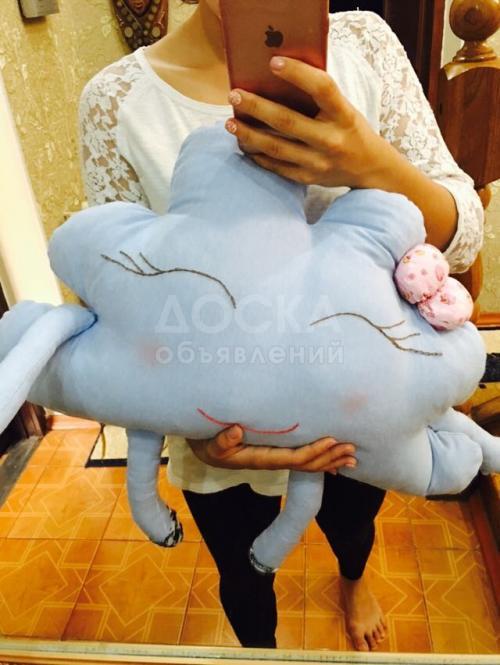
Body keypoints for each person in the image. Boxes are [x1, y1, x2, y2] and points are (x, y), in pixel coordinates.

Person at [77, 0, 484, 651]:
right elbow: (127, 299)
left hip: (358, 407)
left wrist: (370, 163)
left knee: (354, 527)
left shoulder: (365, 46)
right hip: (220, 431)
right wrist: (199, 436)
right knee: (242, 575)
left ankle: (354, 577)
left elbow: (464, 238)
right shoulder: (119, 103)